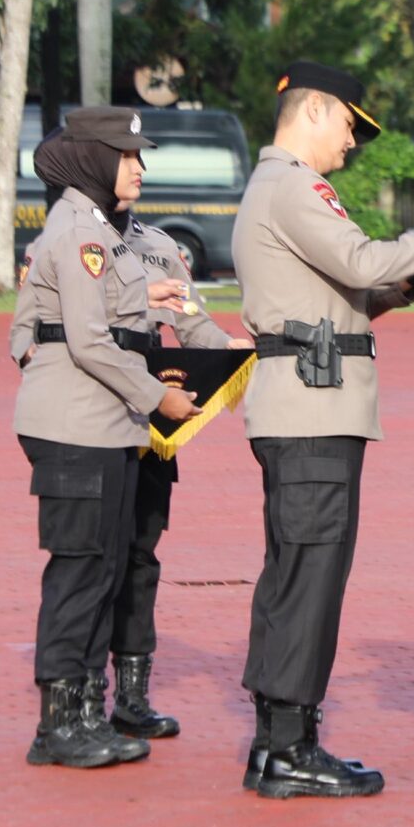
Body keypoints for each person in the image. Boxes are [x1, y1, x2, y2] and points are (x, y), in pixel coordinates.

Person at [233, 61, 414, 798]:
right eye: (347, 124)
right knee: (310, 577)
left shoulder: (278, 186)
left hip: (303, 401)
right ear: (315, 111)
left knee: (294, 571)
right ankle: (290, 746)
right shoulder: (293, 186)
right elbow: (359, 260)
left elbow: (336, 293)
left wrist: (388, 292)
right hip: (312, 408)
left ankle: (276, 741)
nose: (350, 141)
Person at [10, 106, 197, 770]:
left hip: (104, 423)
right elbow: (88, 340)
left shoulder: (98, 230)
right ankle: (59, 725)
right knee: (81, 571)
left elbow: (108, 315)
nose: (138, 167)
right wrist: (158, 397)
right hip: (78, 424)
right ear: (94, 158)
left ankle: (85, 714)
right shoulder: (77, 231)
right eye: (127, 155)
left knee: (105, 568)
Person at [108, 198, 240, 742]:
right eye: (124, 160)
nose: (135, 171)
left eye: (137, 161)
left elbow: (191, 323)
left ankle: (132, 696)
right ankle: (82, 694)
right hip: (94, 414)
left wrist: (232, 349)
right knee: (94, 559)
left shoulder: (159, 245)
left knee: (141, 557)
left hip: (153, 424)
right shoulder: (68, 240)